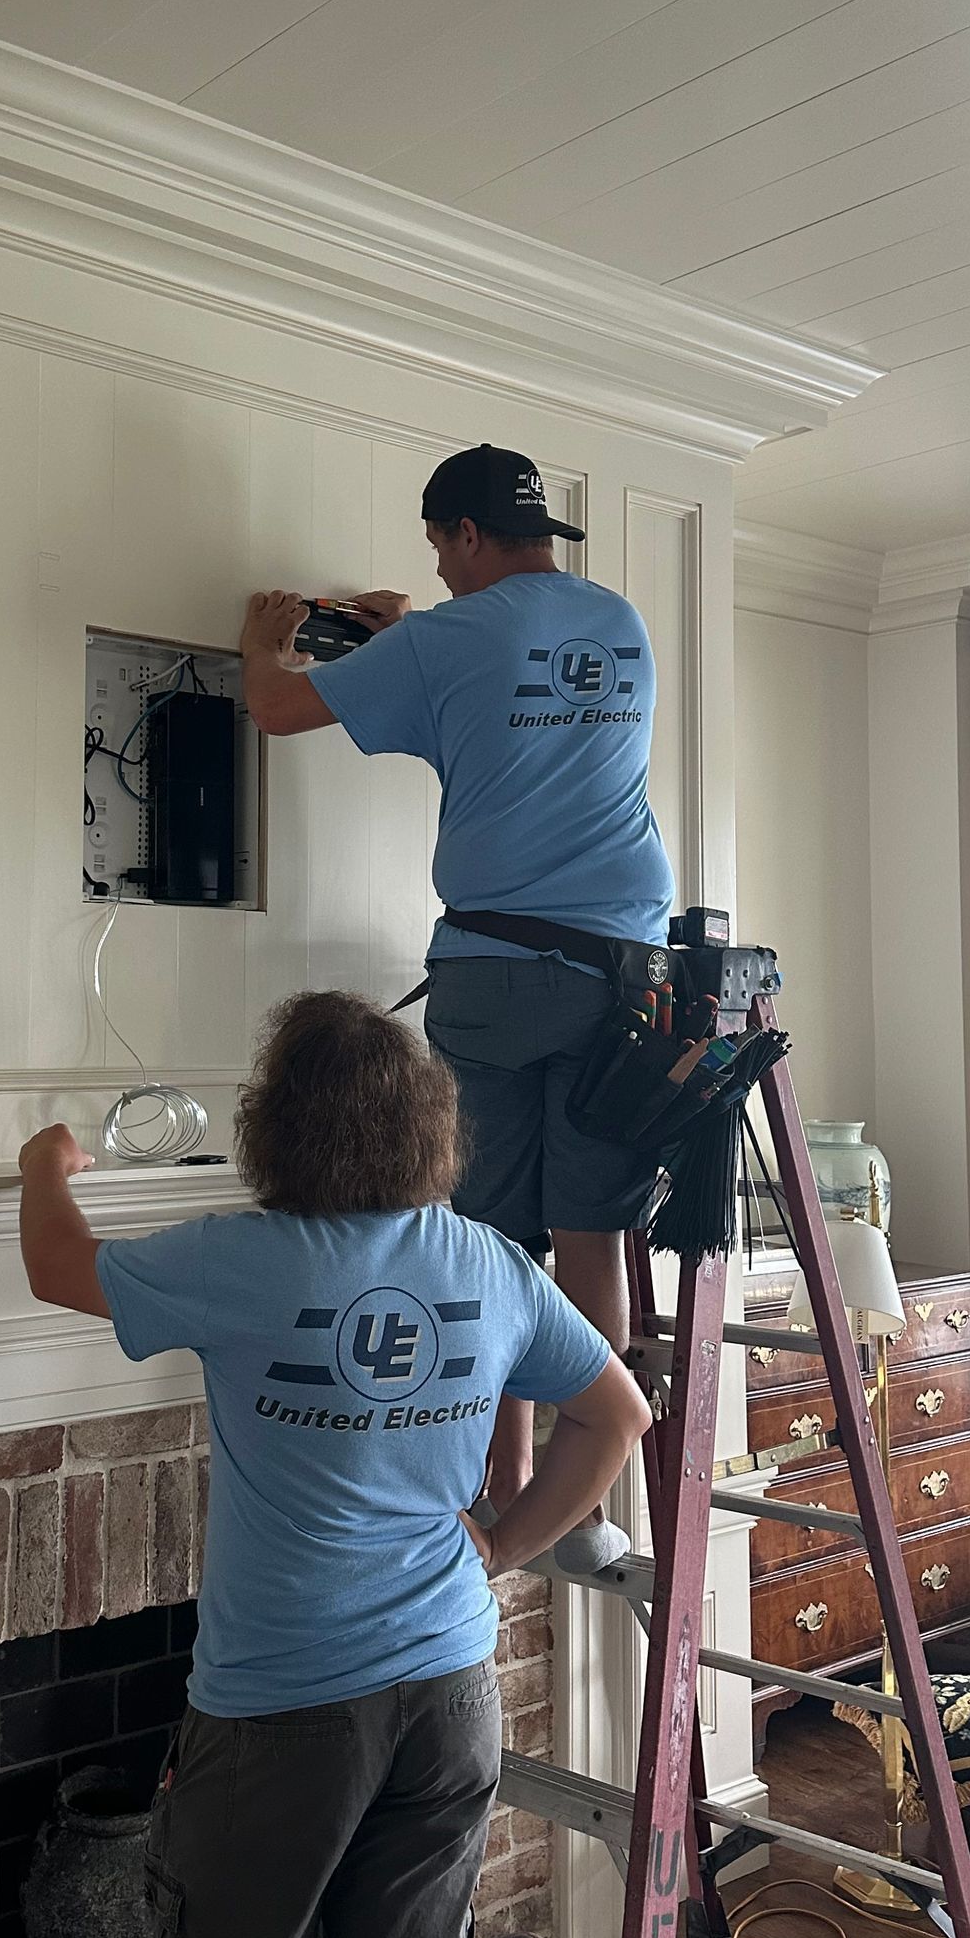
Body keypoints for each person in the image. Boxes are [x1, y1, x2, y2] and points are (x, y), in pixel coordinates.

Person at [17, 990, 649, 1938]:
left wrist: (46, 1162)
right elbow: (619, 1417)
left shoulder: (242, 1259)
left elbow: (55, 1267)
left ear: (279, 1126)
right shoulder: (487, 1262)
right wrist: (502, 1546)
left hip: (282, 1710)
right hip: (451, 1693)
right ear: (426, 1125)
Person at [237, 443, 674, 1568]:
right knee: (588, 1236)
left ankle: (508, 1476)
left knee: (485, 1231)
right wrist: (408, 645)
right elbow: (519, 722)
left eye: (440, 548)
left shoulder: (446, 636)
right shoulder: (621, 622)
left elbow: (278, 709)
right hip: (629, 975)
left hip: (499, 968)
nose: (436, 574)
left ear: (465, 535)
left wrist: (267, 638)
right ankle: (577, 1505)